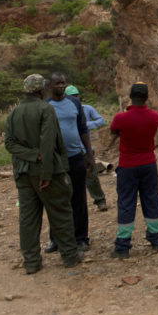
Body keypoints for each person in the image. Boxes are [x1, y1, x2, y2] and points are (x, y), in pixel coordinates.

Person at [4, 74, 82, 273]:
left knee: (28, 219)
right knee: (61, 213)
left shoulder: (14, 112)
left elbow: (10, 144)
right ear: (42, 90)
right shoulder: (45, 109)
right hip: (47, 172)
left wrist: (30, 155)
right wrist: (46, 172)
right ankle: (70, 256)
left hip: (23, 172)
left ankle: (31, 262)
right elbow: (48, 143)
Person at [107, 82, 158, 258]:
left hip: (128, 165)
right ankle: (156, 240)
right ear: (147, 97)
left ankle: (122, 246)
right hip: (149, 163)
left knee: (126, 203)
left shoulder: (120, 118)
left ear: (130, 97)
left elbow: (113, 132)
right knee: (151, 200)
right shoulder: (154, 116)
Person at [44, 72, 95, 253]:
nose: (60, 86)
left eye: (63, 83)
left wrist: (89, 155)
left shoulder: (74, 103)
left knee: (78, 199)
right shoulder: (46, 106)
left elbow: (83, 129)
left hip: (75, 157)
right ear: (50, 86)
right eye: (57, 83)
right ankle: (55, 239)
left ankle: (81, 238)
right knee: (56, 200)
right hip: (55, 160)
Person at [65, 84, 110, 212]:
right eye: (72, 96)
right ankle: (73, 206)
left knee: (92, 178)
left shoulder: (86, 109)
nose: (75, 98)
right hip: (70, 151)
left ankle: (100, 200)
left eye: (76, 96)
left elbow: (101, 121)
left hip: (85, 150)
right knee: (70, 180)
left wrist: (86, 125)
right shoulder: (63, 111)